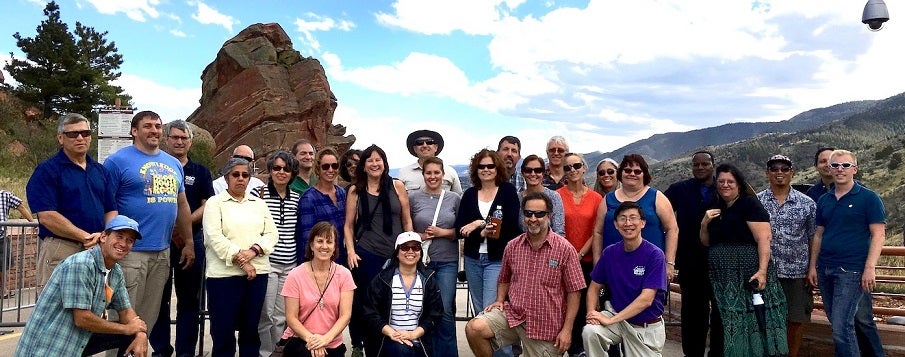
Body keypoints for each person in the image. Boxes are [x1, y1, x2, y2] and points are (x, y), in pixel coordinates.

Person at [103, 110, 195, 342]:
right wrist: (111, 244)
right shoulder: (117, 161)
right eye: (148, 126)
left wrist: (189, 242)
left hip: (162, 253)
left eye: (157, 126)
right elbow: (106, 203)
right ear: (134, 131)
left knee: (149, 319)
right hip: (130, 254)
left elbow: (182, 204)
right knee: (122, 320)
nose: (154, 130)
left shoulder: (173, 163)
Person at [465, 191, 585, 357]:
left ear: (549, 216)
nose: (533, 219)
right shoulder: (513, 246)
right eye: (528, 213)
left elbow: (575, 292)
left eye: (539, 214)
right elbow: (504, 278)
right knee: (474, 328)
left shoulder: (565, 249)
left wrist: (567, 330)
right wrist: (500, 299)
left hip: (545, 325)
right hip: (514, 315)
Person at [15, 215, 148, 357]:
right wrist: (126, 329)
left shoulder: (115, 272)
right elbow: (82, 319)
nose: (123, 243)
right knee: (127, 332)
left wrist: (139, 333)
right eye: (119, 236)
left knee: (133, 338)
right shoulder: (81, 264)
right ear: (103, 237)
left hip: (76, 341)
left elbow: (126, 310)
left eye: (129, 240)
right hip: (50, 348)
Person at [701, 164, 788, 356]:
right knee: (724, 318)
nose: (725, 185)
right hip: (722, 276)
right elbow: (706, 241)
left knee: (751, 318)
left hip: (747, 271)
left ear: (739, 184)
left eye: (730, 181)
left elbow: (764, 239)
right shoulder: (715, 206)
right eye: (721, 181)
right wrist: (704, 223)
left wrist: (762, 271)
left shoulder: (750, 204)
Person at [806, 150, 886, 357]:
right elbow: (818, 235)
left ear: (855, 169)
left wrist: (869, 268)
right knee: (838, 325)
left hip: (851, 270)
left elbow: (878, 235)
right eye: (835, 165)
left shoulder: (869, 198)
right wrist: (813, 267)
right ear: (829, 169)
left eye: (845, 165)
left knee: (842, 327)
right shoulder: (824, 199)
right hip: (825, 269)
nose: (840, 169)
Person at [26, 113, 117, 292]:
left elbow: (111, 209)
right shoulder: (47, 171)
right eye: (73, 134)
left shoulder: (100, 171)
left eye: (85, 133)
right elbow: (46, 216)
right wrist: (84, 236)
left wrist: (105, 235)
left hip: (97, 248)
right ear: (60, 138)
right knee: (58, 310)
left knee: (94, 305)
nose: (80, 138)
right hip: (62, 248)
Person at [149, 120, 215, 357]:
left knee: (190, 301)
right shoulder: (156, 168)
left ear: (190, 141)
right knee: (160, 300)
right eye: (175, 137)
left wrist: (183, 226)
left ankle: (185, 352)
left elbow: (207, 205)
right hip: (161, 242)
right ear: (167, 140)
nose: (179, 142)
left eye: (183, 138)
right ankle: (161, 351)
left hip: (191, 241)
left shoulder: (201, 172)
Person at [203, 157, 278, 357]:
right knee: (223, 331)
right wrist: (242, 261)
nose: (241, 179)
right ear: (227, 177)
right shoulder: (215, 203)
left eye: (245, 175)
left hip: (257, 275)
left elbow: (272, 234)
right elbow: (213, 237)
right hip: (223, 276)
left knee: (250, 330)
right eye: (235, 174)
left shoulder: (259, 204)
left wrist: (252, 251)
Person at [343, 144, 413, 357]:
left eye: (378, 159)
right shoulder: (356, 190)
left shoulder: (397, 186)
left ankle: (393, 348)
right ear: (363, 166)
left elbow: (407, 220)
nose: (374, 164)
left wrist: (410, 246)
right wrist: (351, 252)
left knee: (394, 305)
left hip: (394, 256)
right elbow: (348, 225)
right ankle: (370, 349)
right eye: (370, 160)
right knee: (369, 307)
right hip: (367, 255)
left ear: (384, 163)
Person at [582, 201, 667, 357]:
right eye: (622, 218)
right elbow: (593, 288)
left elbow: (646, 300)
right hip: (618, 320)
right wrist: (592, 314)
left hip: (646, 329)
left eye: (633, 218)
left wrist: (610, 320)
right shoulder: (610, 253)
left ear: (642, 223)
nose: (628, 223)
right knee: (590, 331)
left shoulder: (655, 255)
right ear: (616, 224)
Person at [663, 151, 723, 357]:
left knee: (720, 312)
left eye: (704, 164)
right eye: (696, 164)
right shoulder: (680, 189)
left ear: (712, 166)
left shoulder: (724, 187)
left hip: (721, 261)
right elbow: (659, 210)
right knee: (692, 313)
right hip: (690, 262)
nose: (699, 167)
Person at [756, 155, 816, 357]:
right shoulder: (756, 201)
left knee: (795, 320)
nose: (779, 172)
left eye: (784, 168)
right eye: (774, 169)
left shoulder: (807, 204)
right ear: (767, 173)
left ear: (792, 172)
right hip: (765, 272)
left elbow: (812, 238)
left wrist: (812, 268)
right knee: (763, 319)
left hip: (797, 272)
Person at [592, 154, 677, 282]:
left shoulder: (657, 197)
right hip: (613, 267)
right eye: (627, 170)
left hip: (650, 267)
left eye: (637, 171)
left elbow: (672, 229)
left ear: (644, 174)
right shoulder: (608, 199)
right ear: (621, 173)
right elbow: (598, 232)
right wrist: (597, 263)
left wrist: (669, 263)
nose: (632, 174)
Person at [409, 156, 461, 357]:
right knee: (422, 310)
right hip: (421, 262)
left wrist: (443, 233)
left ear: (443, 175)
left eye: (436, 172)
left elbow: (461, 230)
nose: (432, 176)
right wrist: (420, 236)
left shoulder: (454, 199)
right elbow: (407, 229)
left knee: (445, 310)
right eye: (428, 173)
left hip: (447, 261)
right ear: (423, 175)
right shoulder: (413, 198)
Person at [280, 221, 356, 357]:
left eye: (329, 242)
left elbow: (345, 316)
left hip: (332, 342)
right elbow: (291, 318)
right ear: (311, 245)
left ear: (335, 247)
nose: (324, 246)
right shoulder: (295, 275)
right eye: (319, 241)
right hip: (299, 340)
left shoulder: (344, 275)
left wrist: (324, 339)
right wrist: (312, 340)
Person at [363, 232, 444, 356]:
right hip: (390, 339)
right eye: (405, 247)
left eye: (416, 248)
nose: (410, 251)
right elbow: (370, 312)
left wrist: (413, 334)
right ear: (397, 252)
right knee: (401, 351)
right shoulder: (382, 280)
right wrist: (391, 332)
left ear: (420, 252)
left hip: (419, 340)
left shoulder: (428, 280)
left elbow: (435, 314)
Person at [254, 150, 302, 357]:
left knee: (283, 314)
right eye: (277, 168)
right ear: (270, 170)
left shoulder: (297, 198)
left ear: (292, 173)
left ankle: (280, 350)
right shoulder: (259, 195)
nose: (281, 172)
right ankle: (266, 352)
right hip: (267, 262)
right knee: (267, 314)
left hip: (289, 264)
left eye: (286, 169)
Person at [556, 152, 604, 357]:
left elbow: (597, 230)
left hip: (586, 262)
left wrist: (580, 253)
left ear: (584, 167)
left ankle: (580, 350)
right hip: (561, 262)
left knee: (585, 308)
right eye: (567, 167)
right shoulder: (557, 196)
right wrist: (568, 254)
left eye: (576, 165)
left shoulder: (596, 198)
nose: (572, 170)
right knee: (562, 307)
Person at [296, 148, 348, 266]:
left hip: (340, 260)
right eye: (326, 166)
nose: (331, 170)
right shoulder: (308, 199)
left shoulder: (342, 193)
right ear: (318, 169)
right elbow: (306, 238)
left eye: (334, 166)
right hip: (319, 262)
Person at [398, 129, 463, 194]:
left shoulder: (450, 172)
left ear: (436, 147)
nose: (425, 145)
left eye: (429, 142)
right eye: (419, 143)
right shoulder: (404, 173)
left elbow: (458, 198)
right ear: (415, 149)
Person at [519, 154, 565, 237]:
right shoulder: (517, 198)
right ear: (522, 173)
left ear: (543, 173)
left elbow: (559, 230)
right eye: (528, 170)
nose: (533, 174)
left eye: (538, 170)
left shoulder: (554, 197)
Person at [1, 189, 34, 297]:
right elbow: (20, 207)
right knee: (3, 265)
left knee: (3, 265)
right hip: (1, 235)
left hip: (1, 237)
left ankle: (4, 290)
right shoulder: (5, 195)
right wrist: (33, 223)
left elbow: (20, 207)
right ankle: (4, 290)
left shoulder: (5, 195)